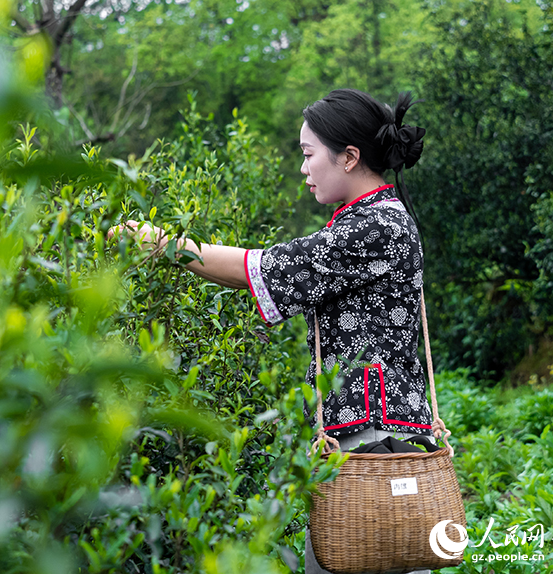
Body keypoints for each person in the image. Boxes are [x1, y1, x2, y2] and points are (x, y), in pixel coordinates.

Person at [112, 89, 437, 574]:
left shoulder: (375, 225)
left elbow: (266, 267)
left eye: (309, 155)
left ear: (348, 158)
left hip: (374, 440)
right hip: (368, 435)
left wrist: (161, 244)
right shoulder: (368, 219)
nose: (304, 169)